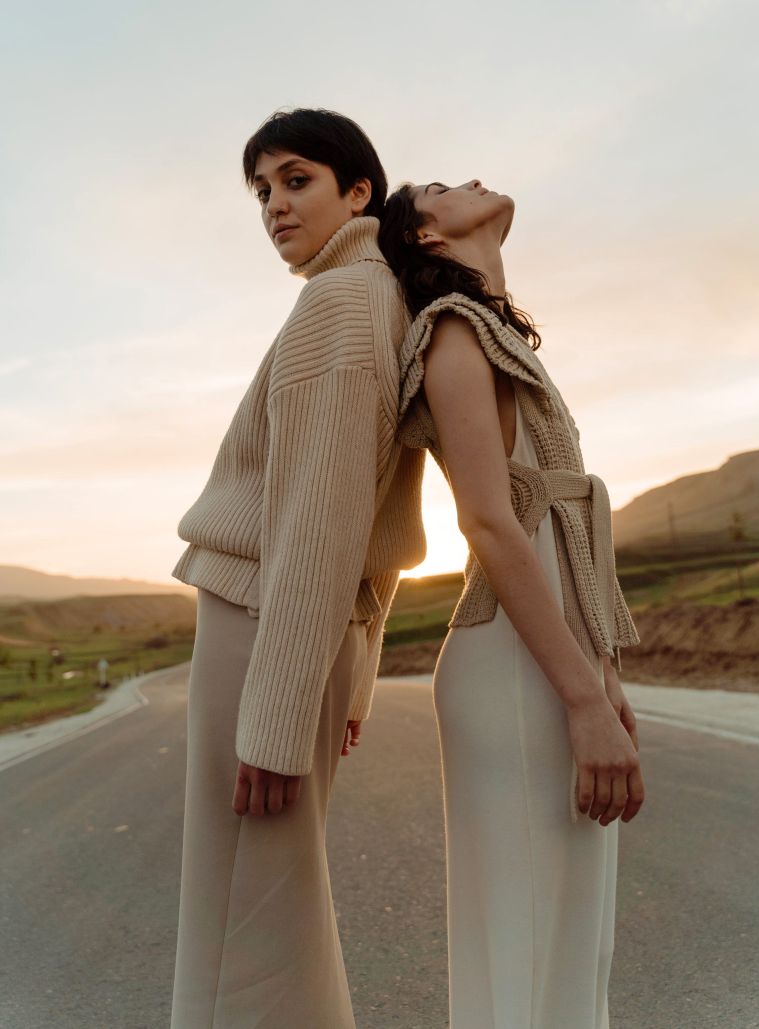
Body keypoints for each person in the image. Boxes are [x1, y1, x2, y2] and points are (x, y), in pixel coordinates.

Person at [168, 108, 427, 1029]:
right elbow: (368, 508)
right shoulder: (379, 297)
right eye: (262, 191)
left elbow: (321, 520)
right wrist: (354, 673)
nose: (274, 205)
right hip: (295, 633)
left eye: (296, 179)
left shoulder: (340, 304)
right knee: (269, 912)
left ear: (359, 193)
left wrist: (278, 718)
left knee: (245, 923)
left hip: (258, 630)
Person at [378, 178, 645, 1029]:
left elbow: (561, 528)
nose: (470, 182)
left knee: (572, 951)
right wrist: (581, 697)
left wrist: (603, 675)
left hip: (552, 666)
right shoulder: (453, 333)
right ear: (426, 237)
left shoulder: (493, 333)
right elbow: (490, 521)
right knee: (531, 952)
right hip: (514, 674)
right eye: (442, 188)